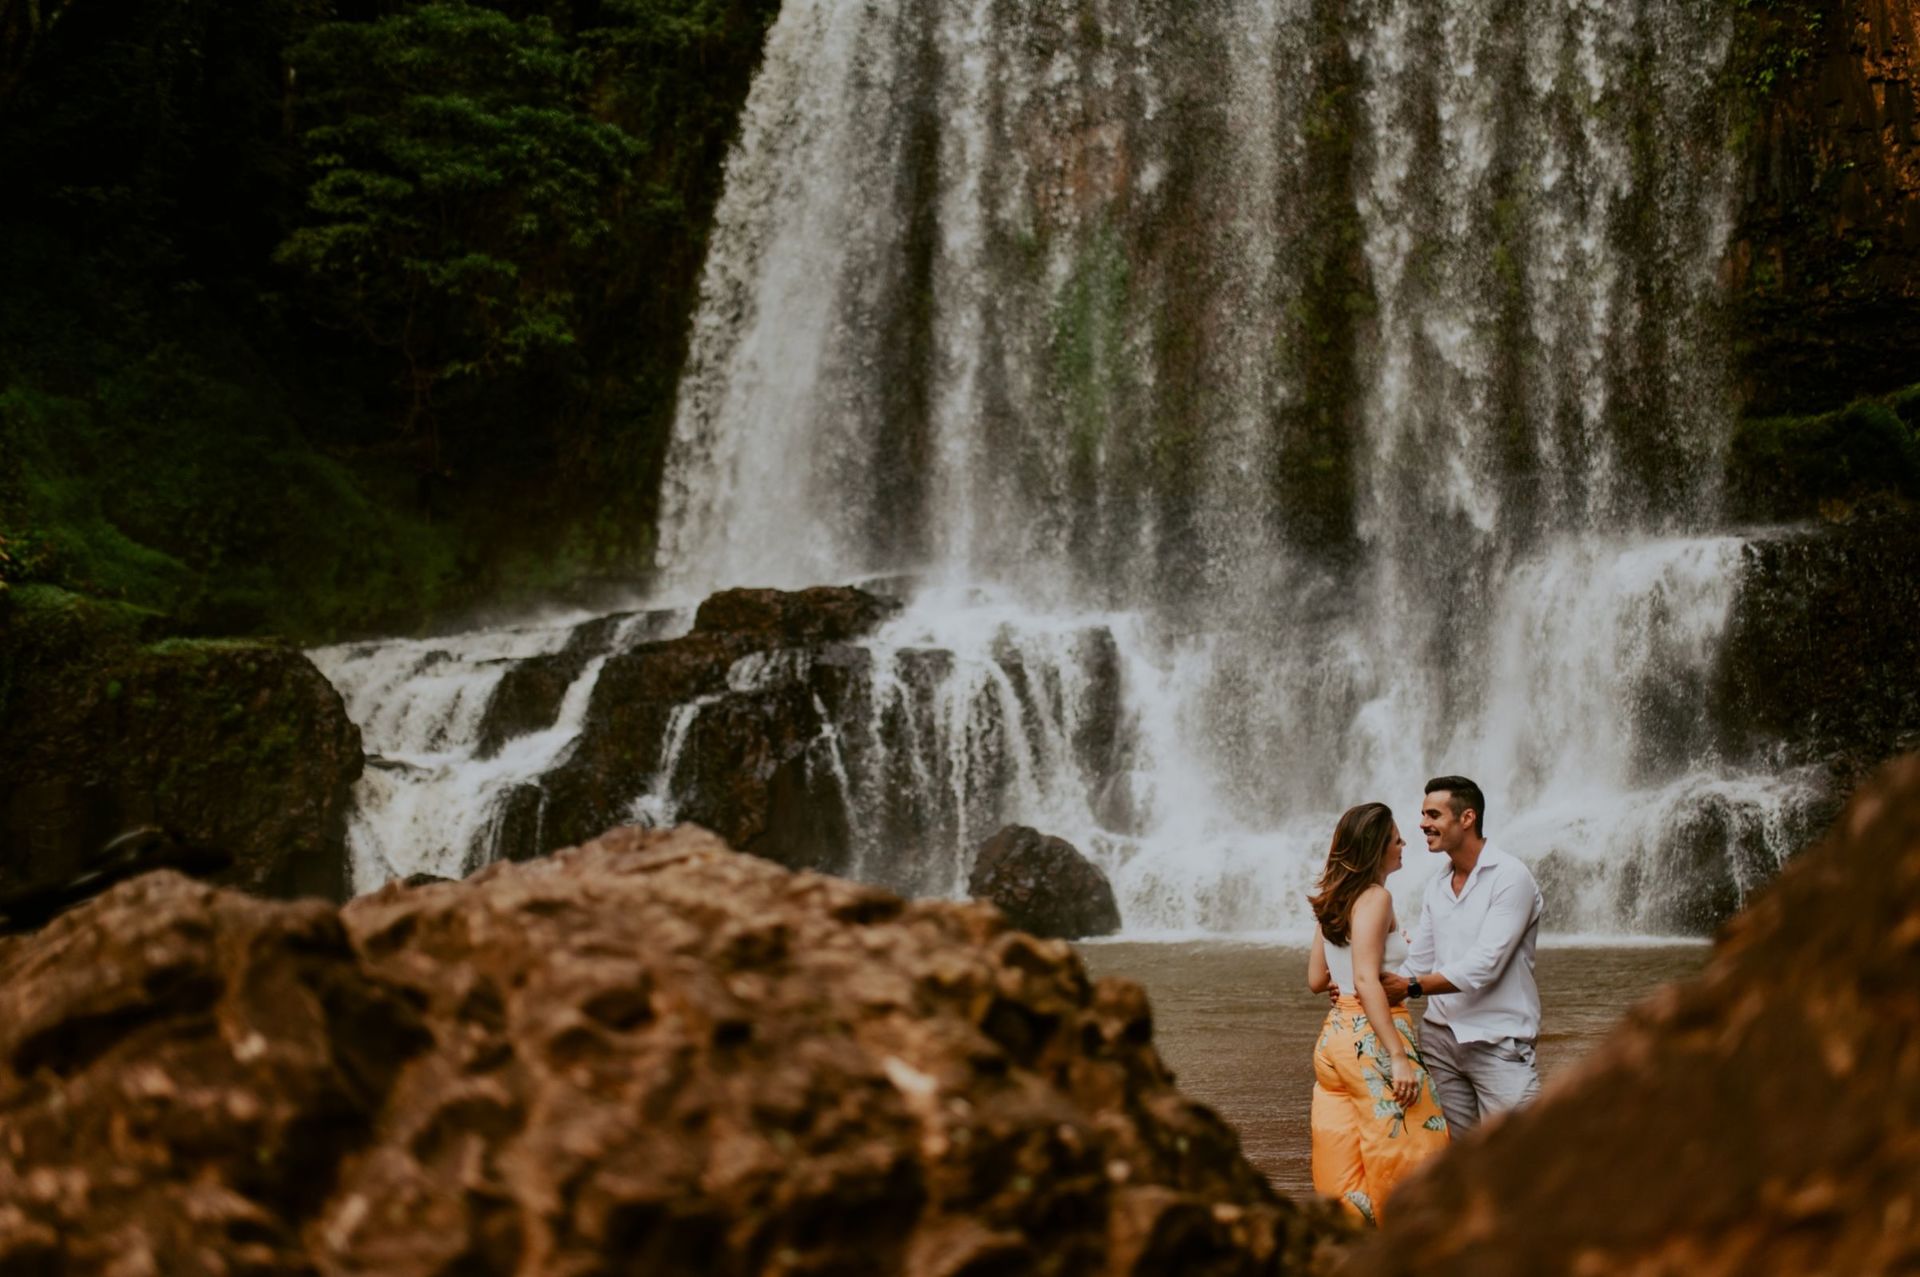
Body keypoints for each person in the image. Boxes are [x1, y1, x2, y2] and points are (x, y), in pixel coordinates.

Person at [1305, 802, 1449, 1226]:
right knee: (1415, 1153)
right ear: (1375, 848)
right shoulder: (1376, 897)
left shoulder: (1333, 897)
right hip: (1374, 1042)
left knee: (1343, 1164)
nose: (1405, 844)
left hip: (1334, 1041)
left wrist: (1343, 983)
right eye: (1395, 839)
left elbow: (1316, 979)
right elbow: (1368, 981)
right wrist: (1399, 1058)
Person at [1386, 775, 1544, 1136]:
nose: (1423, 824)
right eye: (1423, 814)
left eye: (1433, 815)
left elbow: (1485, 966)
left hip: (1497, 1042)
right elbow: (1419, 959)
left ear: (1467, 818)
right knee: (1455, 1162)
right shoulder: (1438, 885)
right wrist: (1358, 989)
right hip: (1440, 1042)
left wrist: (1410, 987)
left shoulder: (1510, 877)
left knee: (1522, 1154)